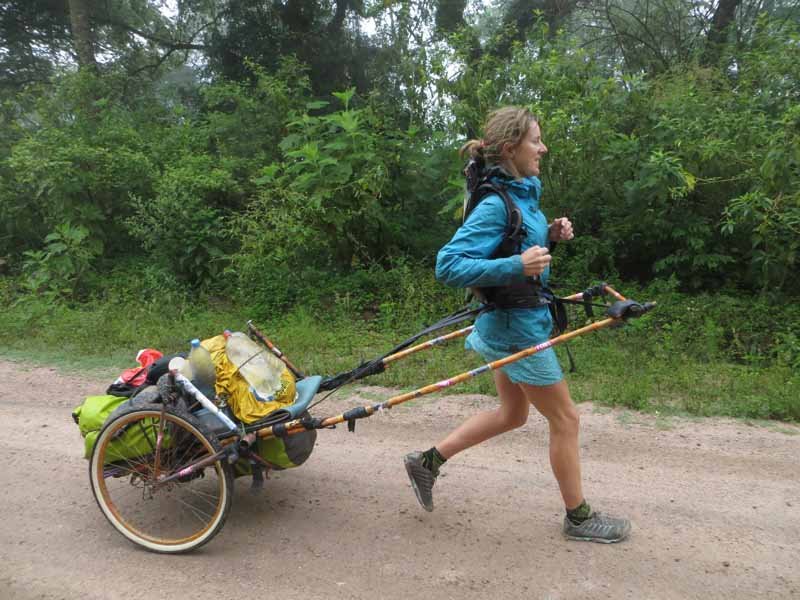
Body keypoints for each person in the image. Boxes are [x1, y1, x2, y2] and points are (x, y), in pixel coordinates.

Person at [404, 106, 631, 543]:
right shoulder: (495, 204)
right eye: (535, 141)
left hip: (506, 324)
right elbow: (447, 265)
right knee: (566, 419)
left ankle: (426, 462)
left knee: (512, 414)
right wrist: (517, 264)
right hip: (516, 328)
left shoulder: (523, 194)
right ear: (511, 149)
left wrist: (549, 235)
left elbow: (519, 242)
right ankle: (579, 518)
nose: (543, 148)